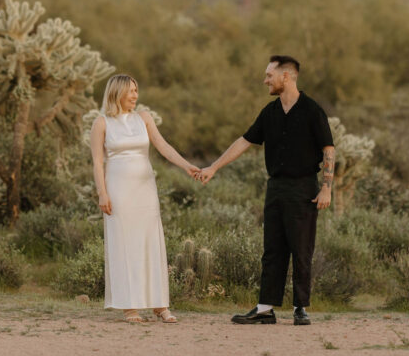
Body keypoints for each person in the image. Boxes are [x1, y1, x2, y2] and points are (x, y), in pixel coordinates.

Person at [199, 56, 334, 326]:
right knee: (272, 249)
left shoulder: (311, 110)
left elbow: (328, 149)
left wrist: (327, 188)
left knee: (301, 249)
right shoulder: (269, 112)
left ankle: (300, 308)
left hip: (304, 188)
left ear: (287, 76)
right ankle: (265, 308)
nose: (265, 80)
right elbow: (245, 141)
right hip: (275, 188)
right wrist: (214, 167)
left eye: (269, 75)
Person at [89, 74, 201, 323]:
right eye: (130, 90)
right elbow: (97, 162)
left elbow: (163, 146)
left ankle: (160, 305)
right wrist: (102, 193)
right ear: (117, 92)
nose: (135, 95)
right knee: (125, 244)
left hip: (145, 190)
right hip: (118, 190)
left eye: (136, 90)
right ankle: (130, 307)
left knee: (151, 242)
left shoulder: (144, 118)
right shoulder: (101, 123)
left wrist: (186, 166)